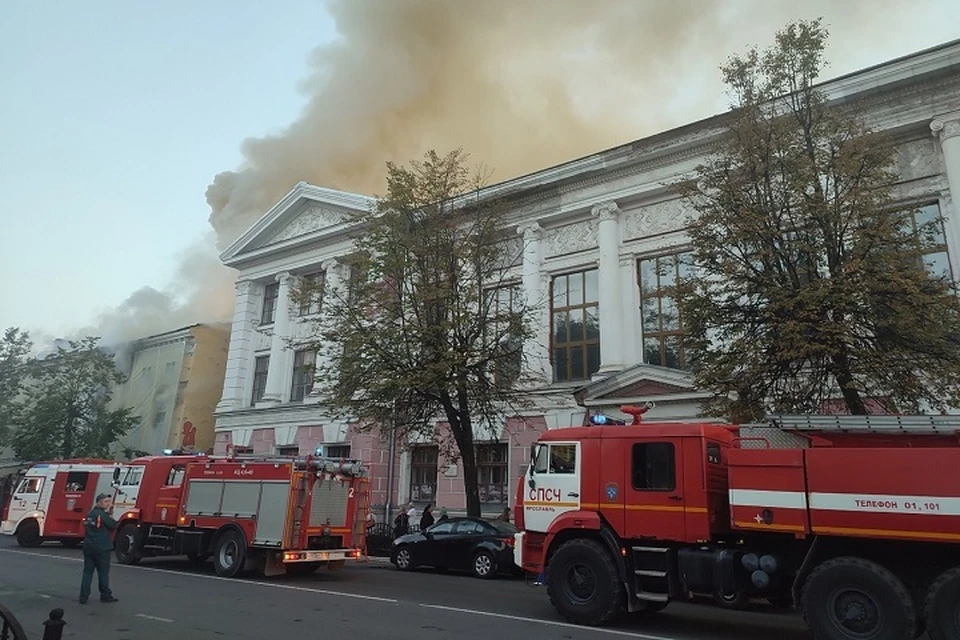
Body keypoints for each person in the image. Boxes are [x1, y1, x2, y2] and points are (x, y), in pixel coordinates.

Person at [79, 493, 118, 604]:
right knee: (103, 572)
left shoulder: (89, 514)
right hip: (102, 547)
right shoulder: (102, 515)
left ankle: (83, 596)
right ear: (99, 501)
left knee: (87, 573)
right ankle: (105, 595)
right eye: (106, 502)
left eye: (108, 502)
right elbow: (113, 525)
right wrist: (111, 517)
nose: (108, 504)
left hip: (88, 546)